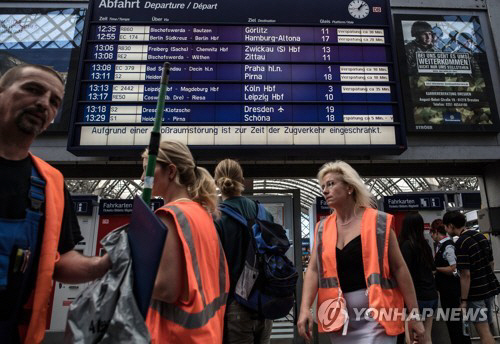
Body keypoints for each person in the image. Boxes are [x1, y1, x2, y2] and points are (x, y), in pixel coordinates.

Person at [0, 64, 111, 344]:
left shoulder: (50, 182)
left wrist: (106, 263)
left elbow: (59, 261)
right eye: (33, 89)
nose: (43, 103)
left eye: (54, 101)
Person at [297, 161, 425, 344]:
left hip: (378, 317)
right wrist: (304, 309)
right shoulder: (322, 228)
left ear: (350, 187)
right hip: (339, 318)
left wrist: (414, 314)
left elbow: (399, 268)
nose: (325, 190)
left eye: (331, 184)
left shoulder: (379, 222)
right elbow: (313, 271)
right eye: (323, 186)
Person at [142, 140, 229, 344]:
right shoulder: (203, 214)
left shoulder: (169, 216)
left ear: (170, 171)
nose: (142, 177)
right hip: (207, 334)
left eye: (148, 170)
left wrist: (124, 272)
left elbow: (165, 289)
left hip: (174, 336)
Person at [213, 158, 274, 344]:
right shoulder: (264, 213)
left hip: (236, 306)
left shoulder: (217, 218)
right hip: (265, 305)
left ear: (217, 182)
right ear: (242, 180)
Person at [443, 211, 500, 344]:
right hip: (489, 289)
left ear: (451, 226)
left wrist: (463, 301)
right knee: (489, 328)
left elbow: (465, 274)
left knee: (483, 332)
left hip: (476, 293)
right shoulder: (480, 236)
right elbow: (491, 263)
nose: (445, 230)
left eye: (445, 226)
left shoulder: (462, 243)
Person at [398, 212, 438, 344]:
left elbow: (403, 272)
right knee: (426, 337)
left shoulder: (406, 246)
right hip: (431, 296)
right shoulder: (425, 245)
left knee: (412, 339)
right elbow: (433, 268)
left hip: (415, 298)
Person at [430, 219, 471, 344]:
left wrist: (436, 269)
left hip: (452, 291)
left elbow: (454, 268)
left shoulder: (448, 246)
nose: (431, 236)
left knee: (456, 323)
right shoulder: (441, 246)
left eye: (432, 233)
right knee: (452, 322)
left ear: (436, 232)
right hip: (446, 290)